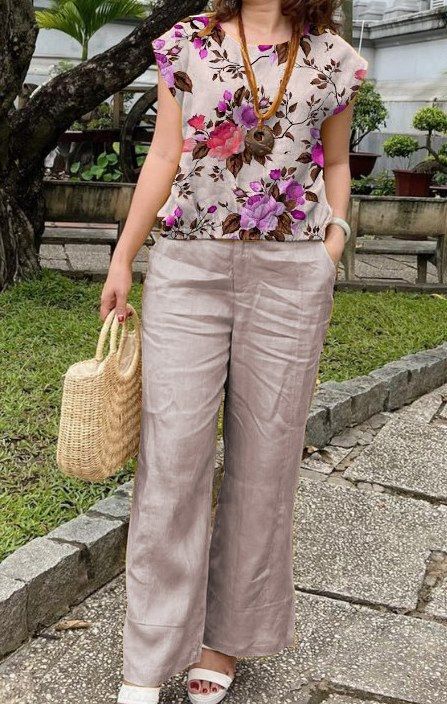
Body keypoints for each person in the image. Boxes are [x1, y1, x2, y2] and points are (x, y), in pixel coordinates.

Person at [99, 1, 368, 702]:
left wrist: (330, 250)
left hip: (290, 275)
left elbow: (335, 162)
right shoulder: (185, 43)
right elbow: (165, 153)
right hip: (189, 266)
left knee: (265, 462)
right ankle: (147, 659)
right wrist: (124, 257)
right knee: (172, 459)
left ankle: (224, 640)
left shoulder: (333, 57)